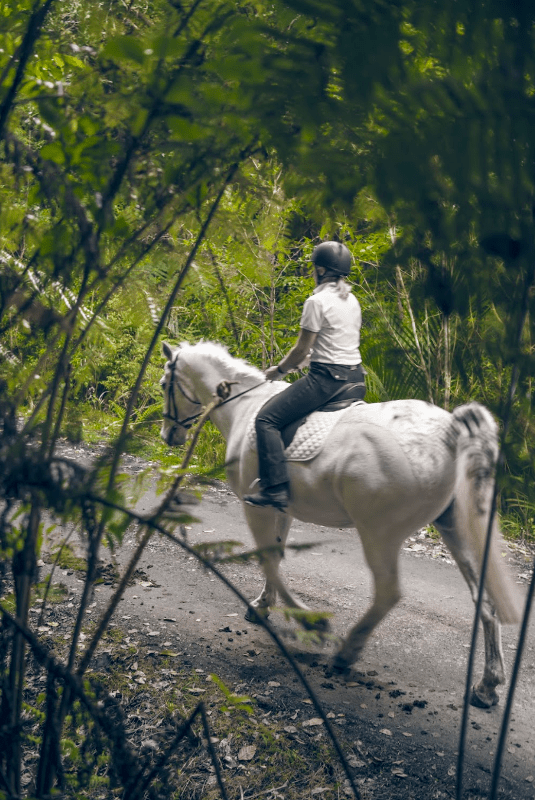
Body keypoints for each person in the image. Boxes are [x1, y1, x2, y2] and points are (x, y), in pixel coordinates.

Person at [243, 240, 366, 511]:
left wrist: (279, 371)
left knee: (266, 419)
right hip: (356, 380)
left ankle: (275, 489)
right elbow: (336, 343)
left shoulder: (316, 301)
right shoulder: (351, 299)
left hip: (326, 382)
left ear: (320, 270)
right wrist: (305, 362)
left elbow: (301, 349)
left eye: (313, 268)